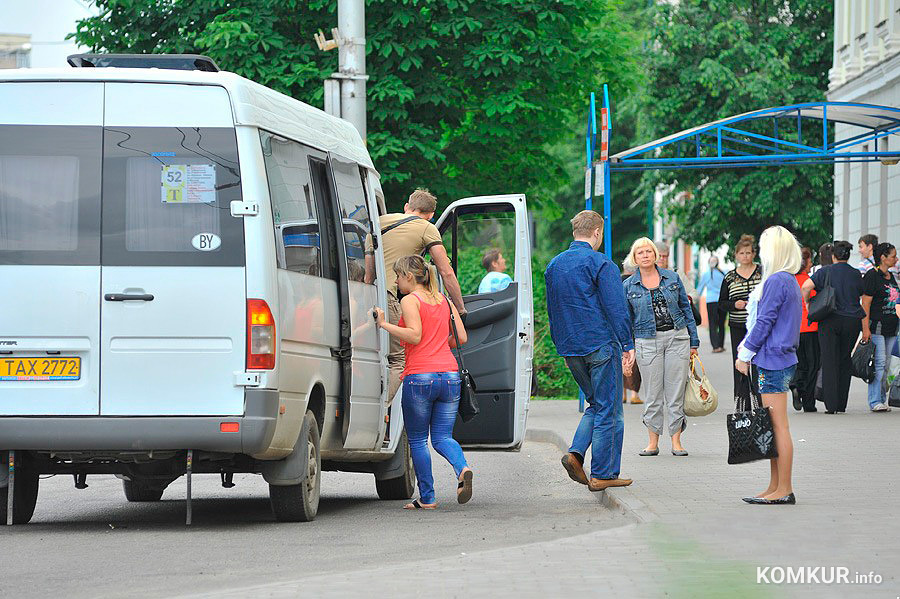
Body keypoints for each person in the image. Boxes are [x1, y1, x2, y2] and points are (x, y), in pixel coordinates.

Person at [374, 255, 472, 509]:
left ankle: (428, 498)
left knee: (418, 440)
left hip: (420, 377)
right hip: (450, 377)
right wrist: (439, 343)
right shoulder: (444, 301)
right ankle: (462, 469)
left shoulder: (410, 300)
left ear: (409, 276)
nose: (396, 281)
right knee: (441, 437)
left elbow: (415, 336)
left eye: (397, 276)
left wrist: (384, 324)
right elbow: (461, 337)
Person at [545, 210, 634, 492]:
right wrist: (627, 344)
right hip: (600, 343)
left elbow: (553, 309)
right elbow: (616, 308)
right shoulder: (601, 263)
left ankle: (575, 454)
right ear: (597, 232)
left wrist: (561, 343)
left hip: (570, 347)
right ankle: (603, 474)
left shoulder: (554, 265)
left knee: (596, 404)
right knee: (609, 410)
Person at [364, 188, 466, 410]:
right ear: (429, 215)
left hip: (369, 296)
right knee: (398, 361)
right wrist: (458, 306)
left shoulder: (377, 221)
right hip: (393, 297)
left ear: (406, 207)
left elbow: (369, 272)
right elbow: (445, 271)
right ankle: (378, 413)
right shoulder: (426, 228)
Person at [735, 226, 802, 505]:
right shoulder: (787, 280)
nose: (760, 253)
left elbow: (765, 322)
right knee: (773, 426)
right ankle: (775, 486)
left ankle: (783, 488)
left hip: (773, 359)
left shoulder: (777, 281)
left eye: (763, 247)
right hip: (778, 358)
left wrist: (745, 354)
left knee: (777, 426)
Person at [623, 237, 699, 457]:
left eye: (649, 251)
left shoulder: (672, 278)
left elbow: (687, 311)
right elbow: (625, 320)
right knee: (653, 394)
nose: (645, 255)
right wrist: (627, 349)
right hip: (647, 341)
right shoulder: (628, 286)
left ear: (655, 254)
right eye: (640, 252)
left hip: (677, 338)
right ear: (634, 258)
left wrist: (693, 342)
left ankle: (676, 441)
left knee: (675, 393)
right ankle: (652, 442)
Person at [801, 241, 865, 414]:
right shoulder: (855, 273)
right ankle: (842, 403)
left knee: (829, 360)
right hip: (852, 321)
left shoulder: (825, 271)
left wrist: (808, 303)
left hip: (829, 320)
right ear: (848, 256)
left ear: (834, 256)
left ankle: (831, 405)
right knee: (845, 359)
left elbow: (806, 287)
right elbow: (861, 292)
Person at [719, 234, 762, 406]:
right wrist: (734, 305)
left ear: (754, 254)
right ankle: (743, 403)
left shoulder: (762, 273)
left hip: (759, 327)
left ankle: (760, 402)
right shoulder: (729, 277)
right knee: (740, 364)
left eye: (748, 253)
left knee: (758, 364)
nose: (745, 256)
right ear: (736, 255)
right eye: (742, 253)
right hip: (737, 325)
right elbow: (721, 303)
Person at [860, 242, 898, 412]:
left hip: (892, 327)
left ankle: (882, 399)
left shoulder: (892, 277)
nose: (896, 259)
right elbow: (865, 304)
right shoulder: (871, 276)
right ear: (883, 257)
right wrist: (865, 328)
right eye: (893, 256)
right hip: (877, 326)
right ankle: (875, 400)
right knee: (879, 363)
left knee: (887, 363)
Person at [790, 247, 820, 413]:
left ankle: (795, 384)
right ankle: (809, 402)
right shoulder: (809, 281)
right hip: (810, 327)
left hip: (794, 329)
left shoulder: (790, 280)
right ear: (805, 262)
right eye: (810, 261)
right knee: (813, 364)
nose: (811, 264)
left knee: (800, 362)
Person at [697, 256, 726, 352]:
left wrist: (693, 300)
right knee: (721, 324)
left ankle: (715, 346)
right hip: (722, 301)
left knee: (712, 324)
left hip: (711, 301)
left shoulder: (706, 274)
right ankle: (720, 345)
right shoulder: (723, 273)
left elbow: (700, 288)